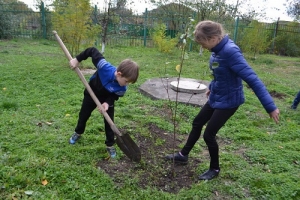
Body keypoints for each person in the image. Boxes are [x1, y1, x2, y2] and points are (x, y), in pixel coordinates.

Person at [165, 20, 280, 180]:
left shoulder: (230, 52)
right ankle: (183, 155)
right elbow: (221, 72)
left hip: (229, 101)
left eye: (203, 43)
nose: (203, 47)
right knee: (197, 123)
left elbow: (252, 79)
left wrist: (270, 106)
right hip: (217, 96)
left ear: (213, 38)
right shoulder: (218, 50)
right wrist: (212, 86)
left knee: (209, 135)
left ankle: (215, 169)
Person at [68, 47, 139, 159]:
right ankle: (78, 132)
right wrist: (77, 59)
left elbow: (115, 95)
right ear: (119, 74)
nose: (126, 85)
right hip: (91, 94)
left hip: (106, 99)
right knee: (83, 115)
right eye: (126, 81)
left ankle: (110, 144)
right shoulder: (104, 66)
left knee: (109, 123)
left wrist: (107, 103)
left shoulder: (122, 88)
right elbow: (91, 51)